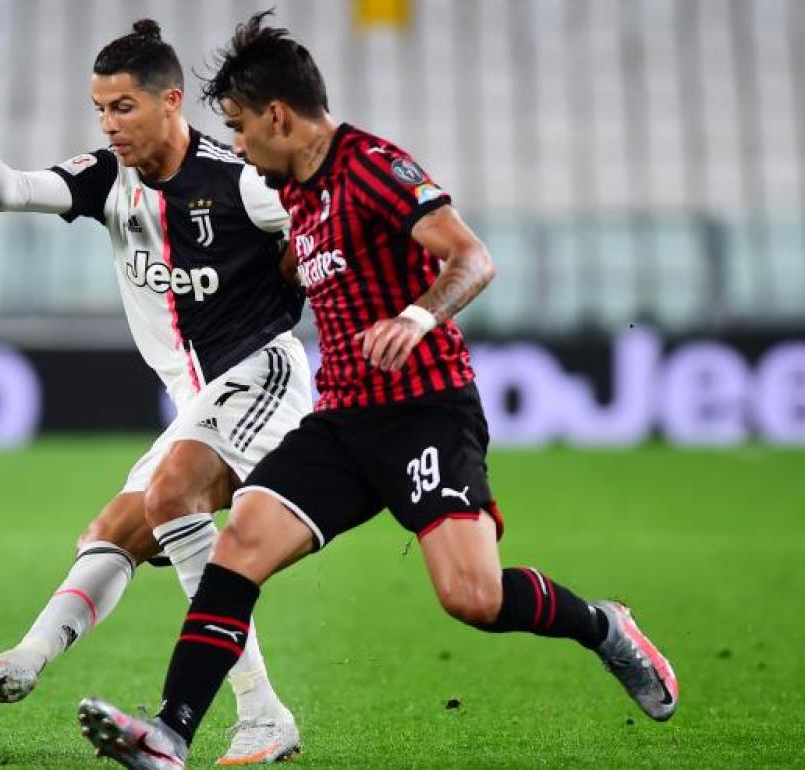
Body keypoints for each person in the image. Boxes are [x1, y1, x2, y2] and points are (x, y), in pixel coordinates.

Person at [77, 12, 679, 769]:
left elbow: (472, 257)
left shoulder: (371, 166)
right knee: (238, 548)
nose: (234, 146)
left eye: (238, 127)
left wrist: (417, 316)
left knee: (472, 597)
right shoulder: (288, 188)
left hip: (424, 411)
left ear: (278, 116)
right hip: (341, 422)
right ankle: (170, 734)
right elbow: (298, 264)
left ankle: (602, 625)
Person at [0, 19, 308, 765]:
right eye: (99, 109)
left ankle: (260, 714)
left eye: (123, 107)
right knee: (112, 532)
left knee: (173, 493)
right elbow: (10, 192)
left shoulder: (238, 181)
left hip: (264, 372)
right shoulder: (107, 179)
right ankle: (21, 664)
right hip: (199, 403)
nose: (109, 124)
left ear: (170, 101)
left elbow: (319, 221)